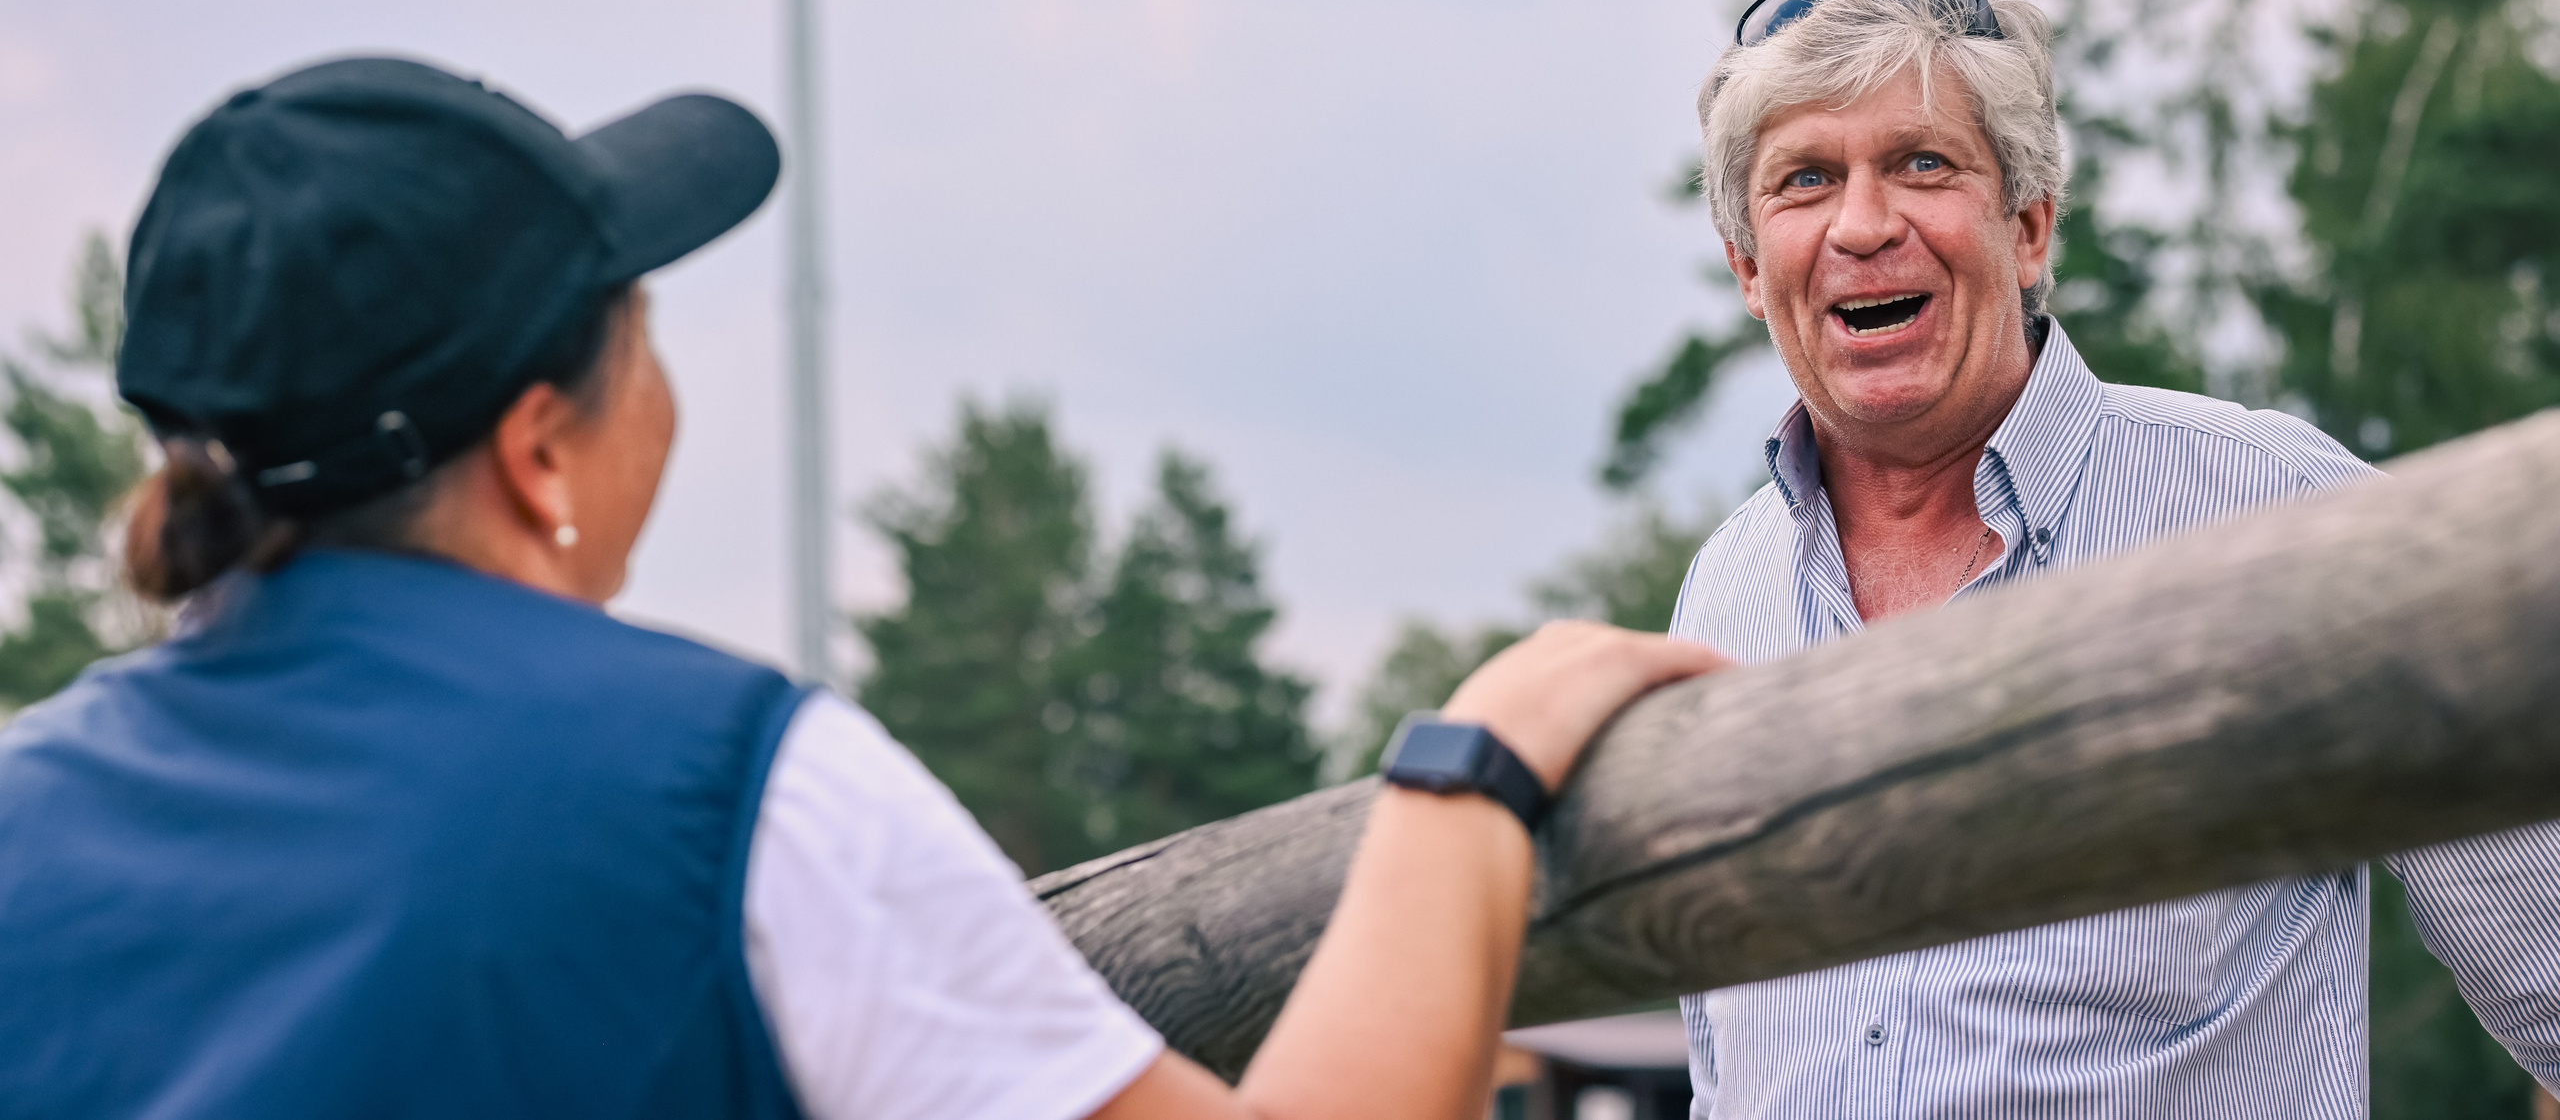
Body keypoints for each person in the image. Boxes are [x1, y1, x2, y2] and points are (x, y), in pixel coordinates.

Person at [0, 55, 1724, 1120]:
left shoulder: (30, 805)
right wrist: (1471, 774)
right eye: (640, 326)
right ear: (540, 447)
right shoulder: (725, 789)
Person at [1671, 0, 2560, 1117]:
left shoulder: (2276, 511)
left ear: (2028, 227)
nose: (1861, 222)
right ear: (1750, 269)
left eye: (1921, 162)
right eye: (1804, 180)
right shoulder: (1720, 595)